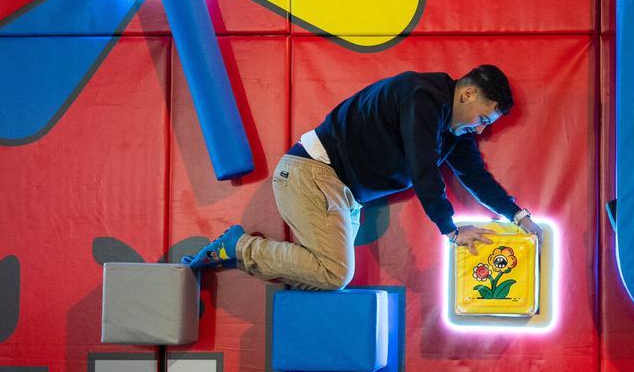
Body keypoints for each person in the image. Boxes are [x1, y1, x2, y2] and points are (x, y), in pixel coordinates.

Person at [186, 65, 541, 290]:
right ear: (467, 93)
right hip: (313, 174)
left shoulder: (455, 132)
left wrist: (519, 216)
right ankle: (238, 246)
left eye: (486, 126)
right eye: (482, 119)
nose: (479, 129)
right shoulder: (422, 97)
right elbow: (422, 166)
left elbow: (476, 176)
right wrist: (449, 229)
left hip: (342, 193)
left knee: (322, 281)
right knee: (335, 274)